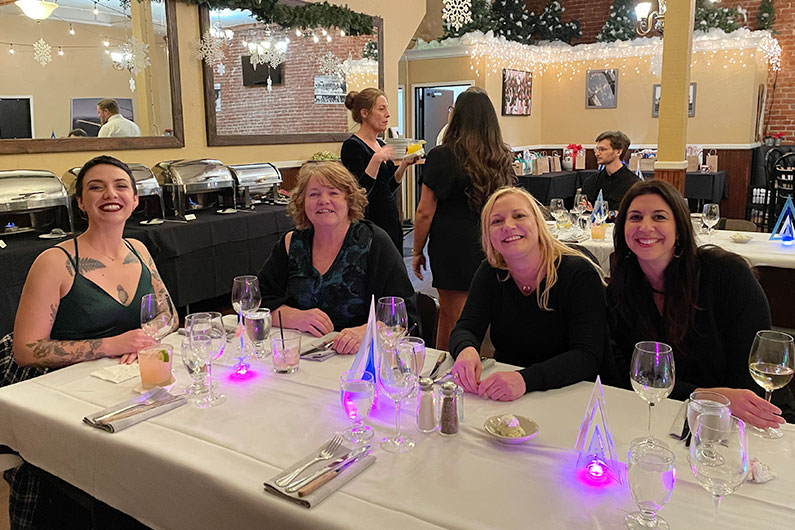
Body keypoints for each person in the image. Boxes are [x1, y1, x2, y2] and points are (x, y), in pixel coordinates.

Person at [608, 179, 793, 428]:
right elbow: (626, 373)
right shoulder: (623, 287)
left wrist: (709, 400)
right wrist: (703, 395)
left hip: (754, 417)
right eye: (635, 217)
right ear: (622, 229)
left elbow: (751, 372)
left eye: (660, 217)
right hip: (668, 413)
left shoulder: (726, 275)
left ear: (680, 228)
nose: (646, 226)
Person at [449, 186, 613, 401]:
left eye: (519, 216)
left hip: (574, 394)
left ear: (538, 223)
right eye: (496, 221)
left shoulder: (578, 273)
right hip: (509, 397)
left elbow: (587, 355)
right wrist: (466, 349)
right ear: (488, 234)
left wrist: (525, 380)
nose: (508, 225)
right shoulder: (491, 272)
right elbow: (466, 327)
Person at [14, 155, 172, 367]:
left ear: (135, 199)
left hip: (128, 374)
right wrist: (111, 345)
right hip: (65, 386)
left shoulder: (139, 249)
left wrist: (141, 339)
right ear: (81, 202)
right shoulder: (54, 262)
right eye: (96, 187)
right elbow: (25, 350)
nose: (111, 194)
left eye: (121, 186)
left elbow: (169, 314)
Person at [257, 161, 418, 354]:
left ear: (349, 200)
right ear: (302, 202)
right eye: (314, 194)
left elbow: (403, 314)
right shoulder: (291, 242)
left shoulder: (374, 242)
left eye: (333, 193)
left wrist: (367, 332)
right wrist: (296, 317)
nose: (323, 200)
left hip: (360, 359)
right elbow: (258, 303)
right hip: (299, 356)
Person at [412, 87, 516, 350]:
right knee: (487, 310)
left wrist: (416, 249)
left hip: (451, 243)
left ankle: (450, 370)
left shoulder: (442, 155)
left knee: (451, 313)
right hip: (492, 239)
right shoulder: (501, 156)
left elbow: (425, 210)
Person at [340, 88, 417, 252]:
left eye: (387, 109)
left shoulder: (381, 145)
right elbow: (359, 192)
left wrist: (404, 165)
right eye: (381, 109)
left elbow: (387, 188)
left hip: (390, 219)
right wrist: (376, 159)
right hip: (370, 223)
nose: (387, 114)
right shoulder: (352, 146)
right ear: (364, 113)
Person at [581, 130, 639, 210]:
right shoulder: (591, 182)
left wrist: (598, 212)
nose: (597, 154)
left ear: (618, 152)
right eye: (596, 149)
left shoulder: (633, 185)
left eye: (602, 149)